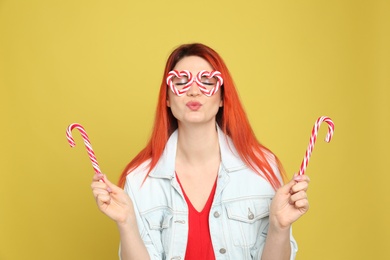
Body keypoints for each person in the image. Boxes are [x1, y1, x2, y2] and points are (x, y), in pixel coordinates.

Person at [91, 43, 310, 260]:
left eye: (206, 82)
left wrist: (279, 227)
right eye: (181, 82)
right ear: (167, 98)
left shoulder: (261, 168)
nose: (194, 91)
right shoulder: (140, 179)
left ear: (223, 97)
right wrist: (127, 224)